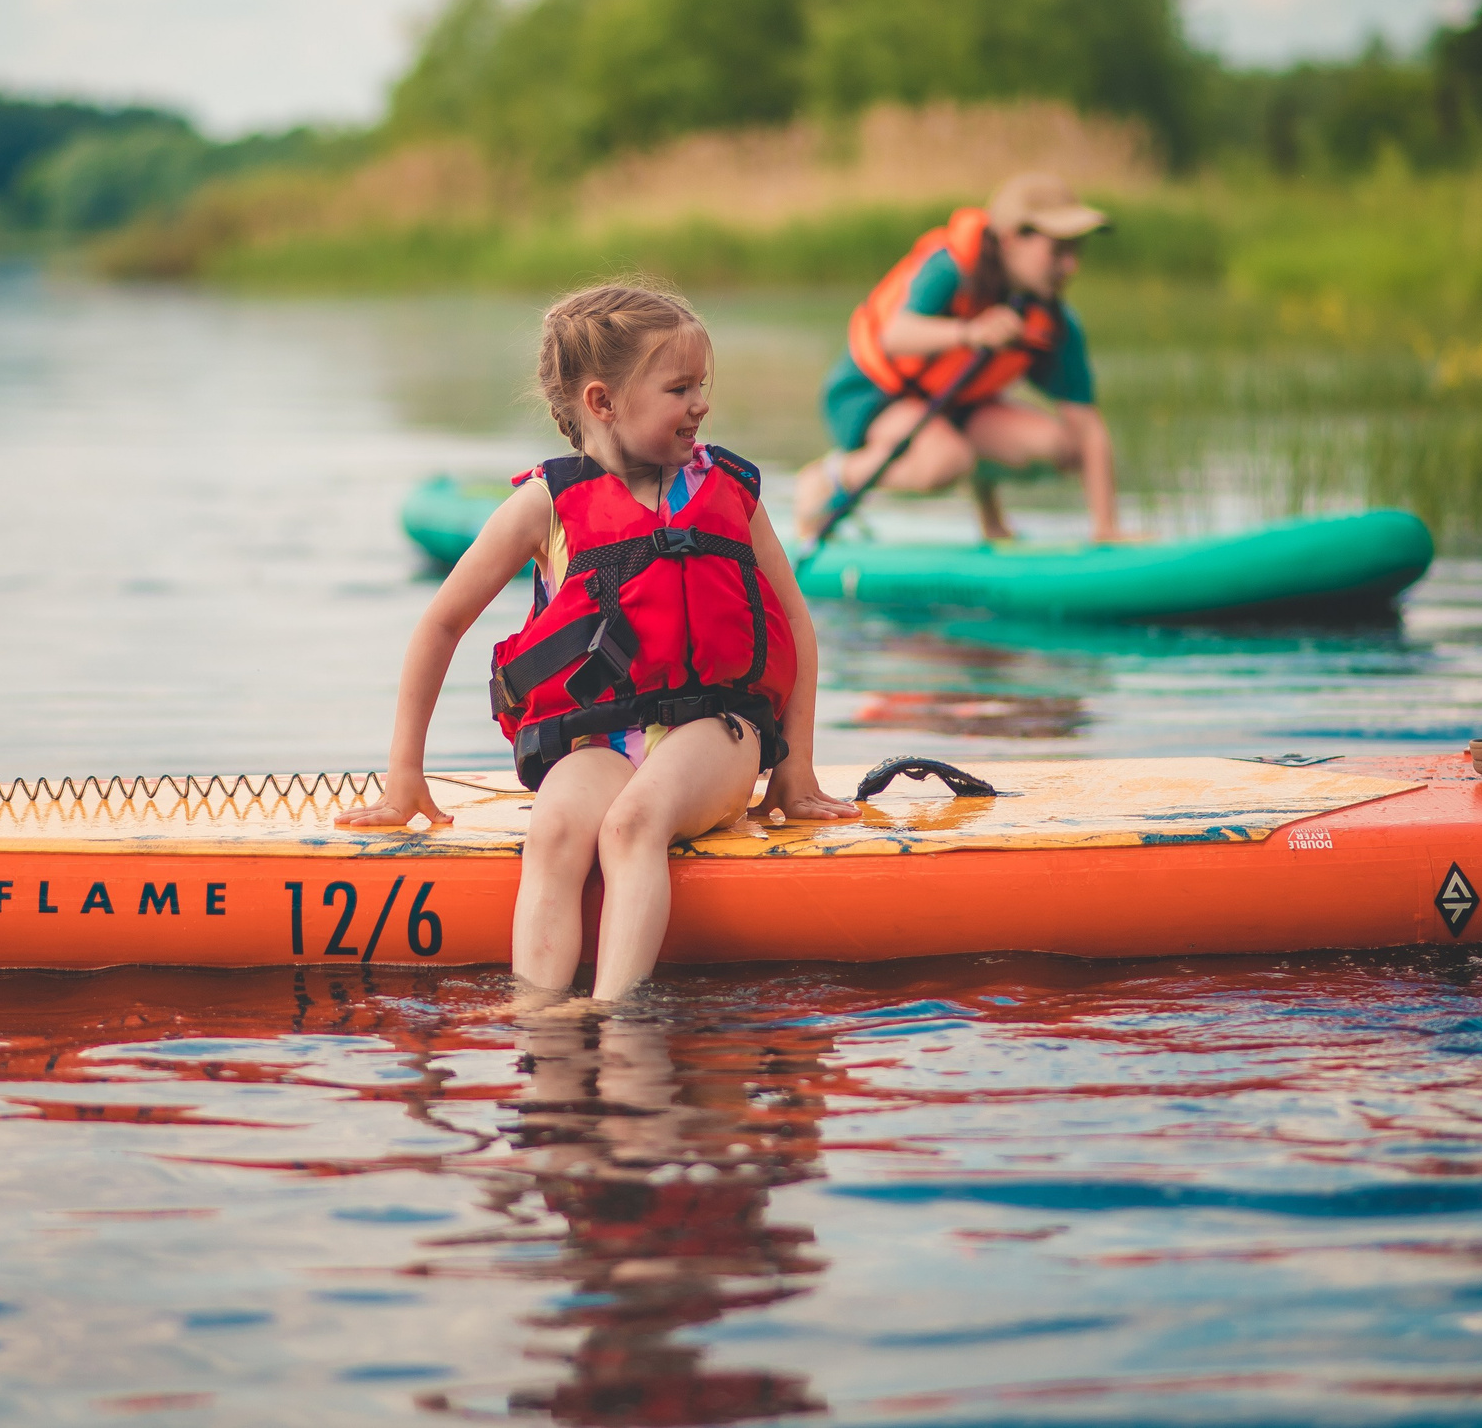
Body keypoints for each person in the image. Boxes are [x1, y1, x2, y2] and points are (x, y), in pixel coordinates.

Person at [339, 283, 856, 1004]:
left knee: (633, 825)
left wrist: (794, 772)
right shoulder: (546, 504)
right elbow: (441, 624)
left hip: (716, 730)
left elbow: (795, 623)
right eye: (680, 387)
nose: (700, 403)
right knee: (552, 833)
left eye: (700, 385)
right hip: (600, 741)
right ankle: (540, 1026)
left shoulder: (731, 490)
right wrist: (404, 776)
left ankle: (620, 1027)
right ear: (603, 402)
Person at [796, 171, 1121, 544]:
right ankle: (828, 478)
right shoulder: (949, 268)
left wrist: (1106, 529)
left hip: (952, 406)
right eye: (1059, 252)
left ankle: (992, 525)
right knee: (947, 460)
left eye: (1076, 252)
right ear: (1013, 239)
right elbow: (896, 336)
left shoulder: (1053, 321)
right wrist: (970, 333)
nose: (1071, 267)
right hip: (871, 394)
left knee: (1060, 448)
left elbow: (1088, 427)